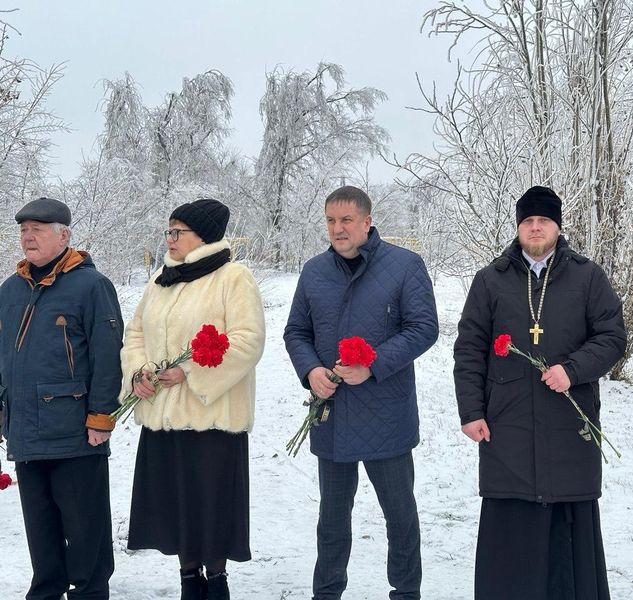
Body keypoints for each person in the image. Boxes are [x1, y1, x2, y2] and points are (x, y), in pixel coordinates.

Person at [454, 186, 625, 600]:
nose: (535, 227)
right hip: (506, 424)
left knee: (568, 525)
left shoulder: (587, 276)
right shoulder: (490, 280)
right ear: (518, 227)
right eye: (528, 221)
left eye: (543, 220)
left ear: (557, 226)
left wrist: (573, 369)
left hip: (569, 422)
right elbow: (469, 348)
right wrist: (471, 411)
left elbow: (612, 336)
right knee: (511, 522)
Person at [284, 185, 439, 600]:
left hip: (386, 414)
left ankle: (406, 593)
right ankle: (327, 593)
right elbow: (296, 331)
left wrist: (374, 365)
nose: (338, 229)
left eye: (346, 220)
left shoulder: (405, 265)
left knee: (399, 516)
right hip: (331, 415)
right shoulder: (314, 271)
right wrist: (311, 369)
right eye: (331, 221)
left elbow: (424, 328)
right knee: (332, 518)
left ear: (367, 222)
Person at [121, 198, 265, 600]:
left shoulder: (233, 278)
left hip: (211, 416)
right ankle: (188, 580)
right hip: (163, 418)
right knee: (176, 507)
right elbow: (135, 334)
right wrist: (138, 373)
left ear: (202, 236)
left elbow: (248, 340)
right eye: (168, 231)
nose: (169, 239)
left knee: (211, 506)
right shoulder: (160, 280)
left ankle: (216, 581)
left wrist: (191, 372)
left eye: (177, 232)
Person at [0, 197, 123, 599]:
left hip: (75, 436)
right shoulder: (11, 289)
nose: (28, 236)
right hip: (27, 433)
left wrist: (101, 417)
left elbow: (108, 356)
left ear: (64, 235)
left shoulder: (91, 285)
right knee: (42, 535)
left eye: (38, 228)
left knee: (86, 539)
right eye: (23, 229)